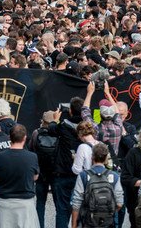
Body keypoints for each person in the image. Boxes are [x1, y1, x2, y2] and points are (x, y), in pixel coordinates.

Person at [0, 124, 39, 227]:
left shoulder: (0, 157)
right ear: (25, 138)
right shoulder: (32, 157)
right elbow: (35, 177)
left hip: (4, 203)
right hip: (25, 204)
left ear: (9, 137)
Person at [46, 96, 85, 228]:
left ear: (70, 111)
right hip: (81, 175)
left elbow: (51, 129)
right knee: (80, 209)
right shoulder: (88, 127)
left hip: (63, 172)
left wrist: (55, 119)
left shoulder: (63, 126)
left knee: (62, 210)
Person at [71, 143, 123, 228]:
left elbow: (76, 203)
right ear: (106, 158)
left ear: (92, 157)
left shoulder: (83, 175)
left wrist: (74, 225)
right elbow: (119, 203)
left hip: (88, 221)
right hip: (107, 222)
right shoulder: (115, 176)